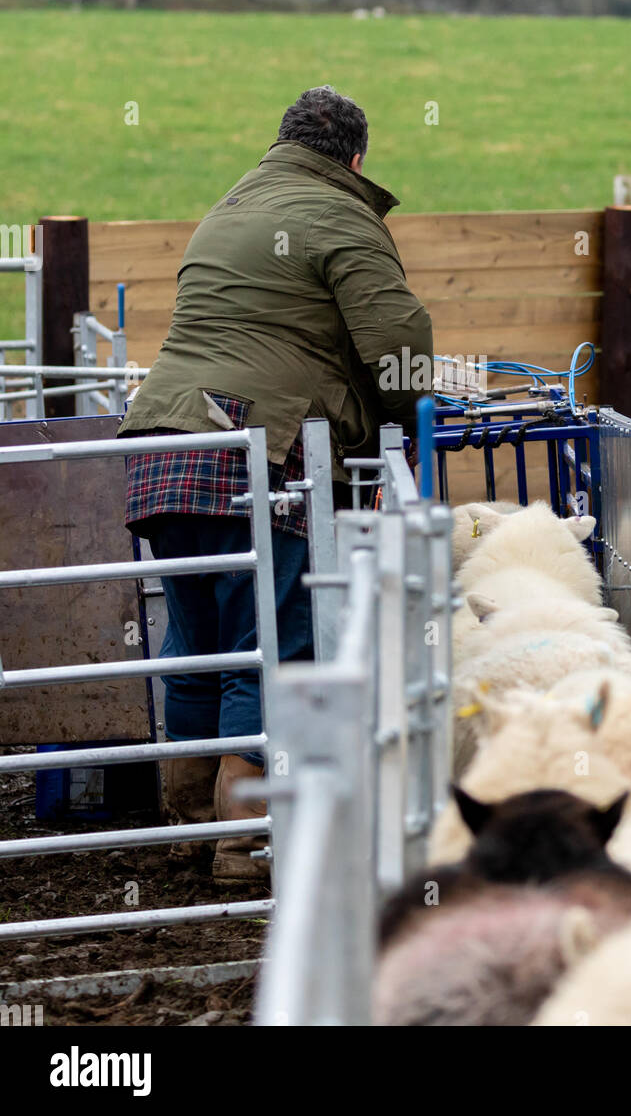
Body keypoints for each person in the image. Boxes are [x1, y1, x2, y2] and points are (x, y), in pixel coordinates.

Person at [119, 86, 433, 883]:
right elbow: (396, 337)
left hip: (160, 442)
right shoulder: (341, 214)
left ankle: (186, 827)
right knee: (266, 650)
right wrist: (405, 419)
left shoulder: (230, 203)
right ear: (356, 159)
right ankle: (246, 841)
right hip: (251, 451)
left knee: (194, 642)